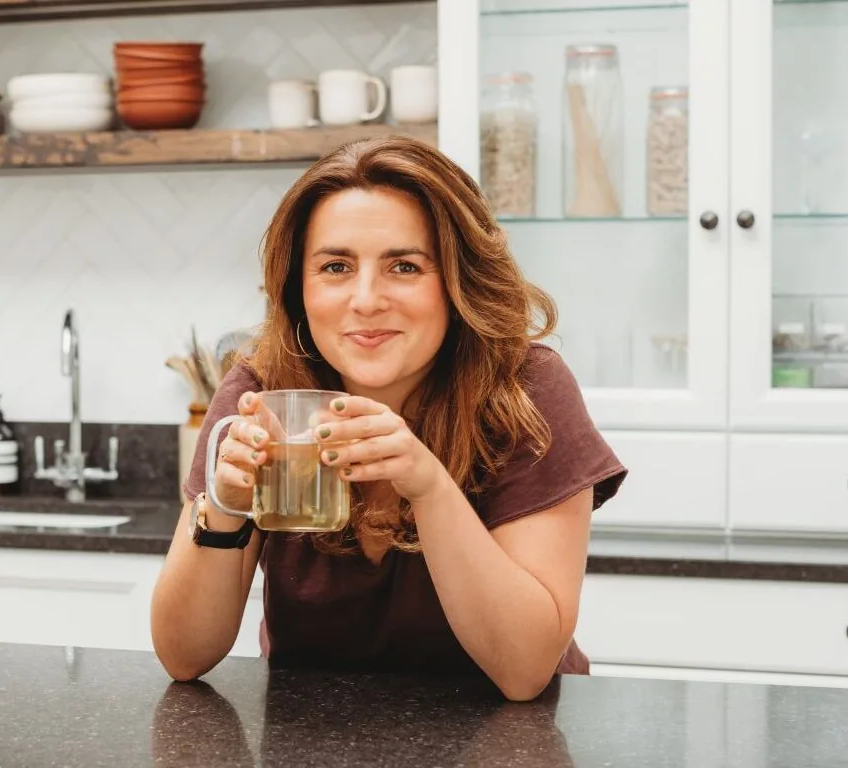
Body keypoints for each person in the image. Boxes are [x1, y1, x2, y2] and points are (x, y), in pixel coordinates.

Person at [149, 135, 627, 702]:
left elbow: (523, 672)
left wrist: (428, 487)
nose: (367, 299)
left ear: (457, 280)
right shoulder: (263, 391)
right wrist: (224, 509)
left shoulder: (526, 390)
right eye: (335, 267)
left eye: (404, 266)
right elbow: (183, 656)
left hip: (509, 742)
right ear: (298, 289)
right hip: (317, 739)